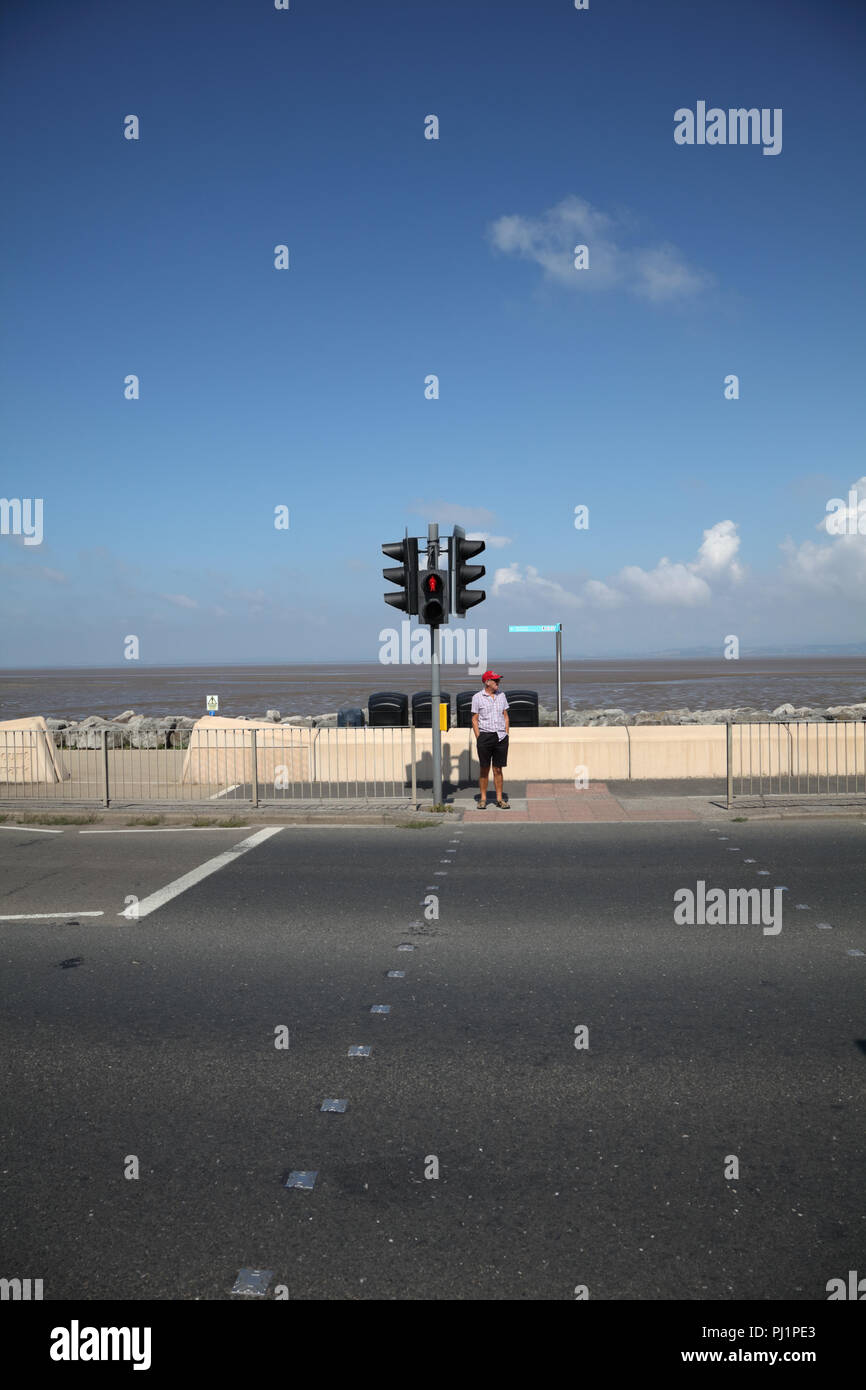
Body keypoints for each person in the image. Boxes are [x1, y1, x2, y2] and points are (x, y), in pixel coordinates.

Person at [471, 670, 510, 809]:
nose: (498, 683)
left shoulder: (502, 696)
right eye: (496, 681)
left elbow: (505, 715)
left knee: (498, 769)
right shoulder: (477, 697)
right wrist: (479, 738)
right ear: (487, 682)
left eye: (499, 680)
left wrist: (506, 733)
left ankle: (500, 799)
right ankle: (483, 799)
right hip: (485, 736)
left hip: (501, 737)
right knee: (484, 768)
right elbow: (474, 719)